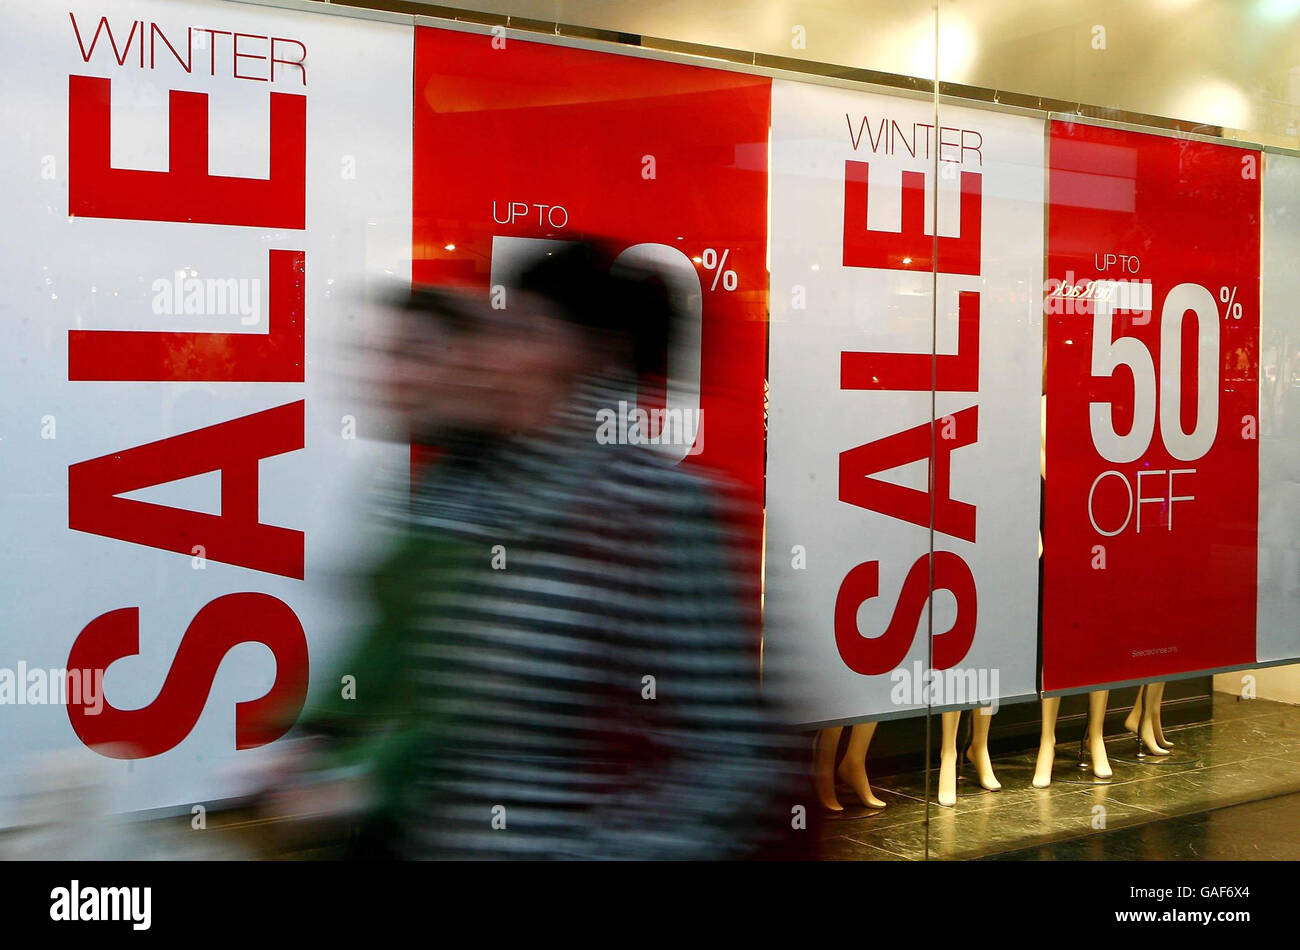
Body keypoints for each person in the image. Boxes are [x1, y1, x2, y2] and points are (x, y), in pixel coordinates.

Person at [271, 241, 815, 860]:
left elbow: (729, 752)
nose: (492, 354)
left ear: (592, 355)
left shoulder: (657, 509)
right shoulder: (467, 495)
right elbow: (418, 690)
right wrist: (328, 748)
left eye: (525, 333)